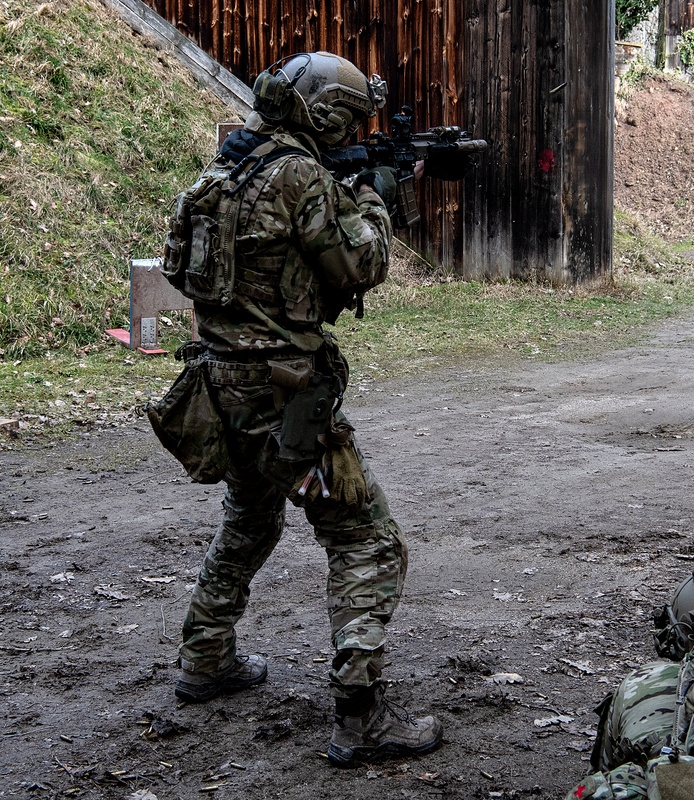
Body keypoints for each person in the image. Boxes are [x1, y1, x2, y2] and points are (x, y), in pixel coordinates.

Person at [160, 51, 442, 766]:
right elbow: (362, 263)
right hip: (288, 400)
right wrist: (375, 195)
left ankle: (206, 656)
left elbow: (175, 269)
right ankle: (360, 715)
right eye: (344, 120)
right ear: (320, 114)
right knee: (364, 537)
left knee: (251, 517)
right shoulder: (300, 176)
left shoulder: (222, 172)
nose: (348, 134)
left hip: (221, 387)